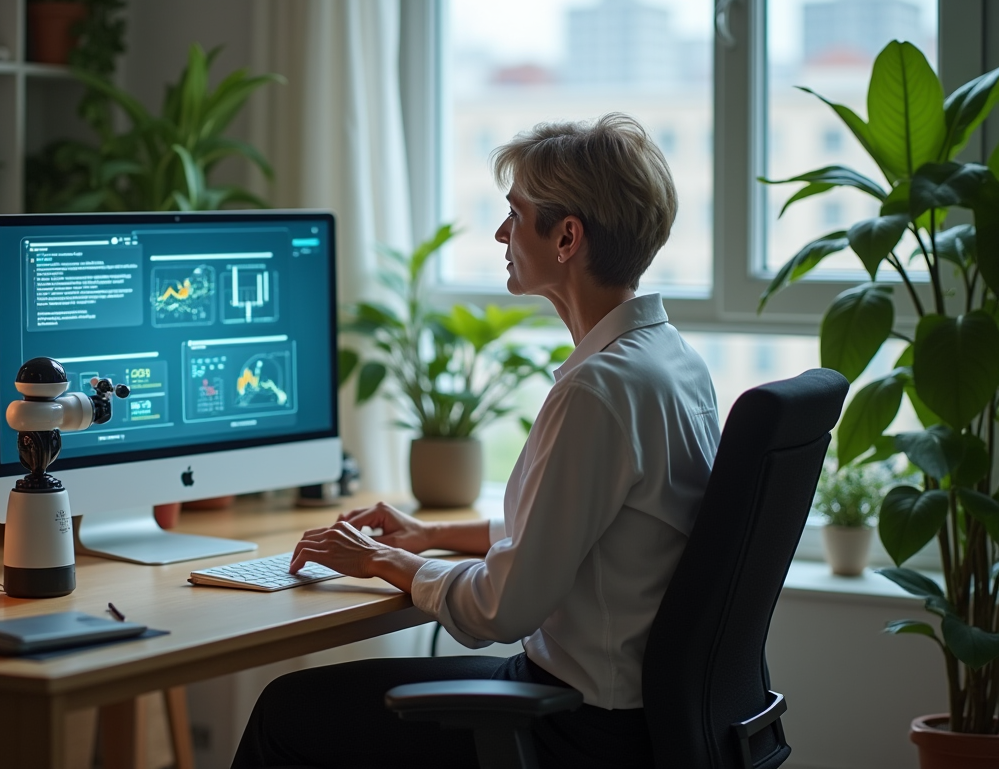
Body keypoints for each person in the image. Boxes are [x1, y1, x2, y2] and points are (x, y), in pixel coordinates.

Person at [231, 113, 720, 769]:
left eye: (515, 215)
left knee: (287, 711)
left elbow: (500, 609)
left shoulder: (599, 390)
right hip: (637, 716)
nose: (500, 233)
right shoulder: (670, 359)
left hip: (576, 728)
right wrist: (429, 535)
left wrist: (381, 561)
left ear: (567, 237)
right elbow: (578, 531)